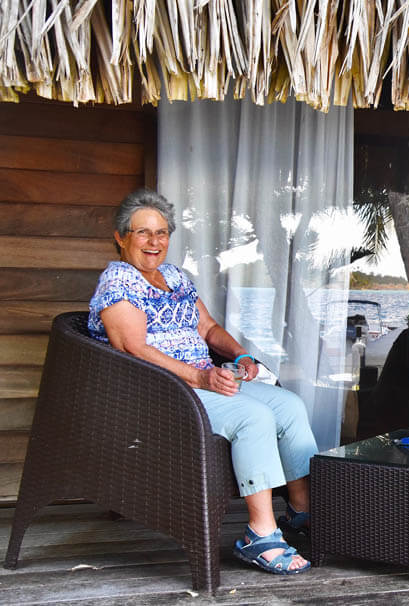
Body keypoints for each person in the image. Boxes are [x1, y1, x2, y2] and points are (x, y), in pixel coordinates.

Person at [88, 188, 318, 575]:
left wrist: (240, 355)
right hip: (161, 390)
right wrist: (200, 376)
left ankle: (301, 510)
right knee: (254, 417)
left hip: (204, 380)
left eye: (161, 232)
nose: (153, 241)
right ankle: (260, 534)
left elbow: (208, 328)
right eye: (142, 232)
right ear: (121, 237)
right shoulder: (118, 283)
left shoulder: (174, 277)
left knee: (289, 406)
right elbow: (133, 347)